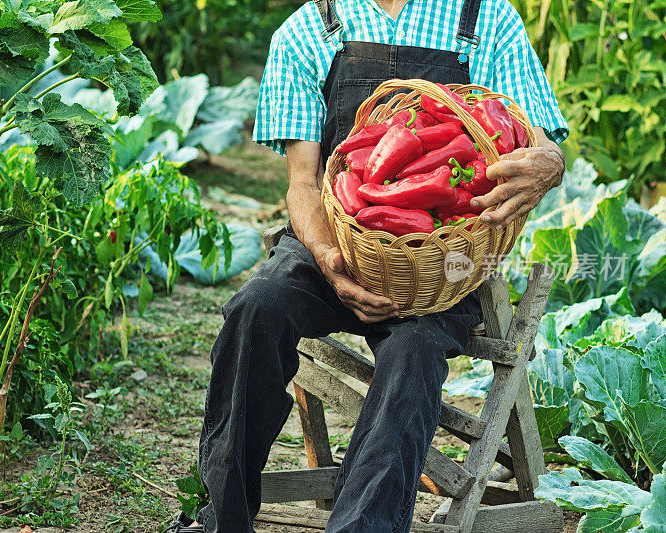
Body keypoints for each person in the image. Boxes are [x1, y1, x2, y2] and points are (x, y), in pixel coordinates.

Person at [164, 0, 567, 531]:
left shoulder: (485, 18)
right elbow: (304, 184)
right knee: (254, 310)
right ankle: (220, 518)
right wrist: (331, 261)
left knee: (413, 351)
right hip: (334, 236)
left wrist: (550, 164)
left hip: (440, 256)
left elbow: (535, 139)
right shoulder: (307, 29)